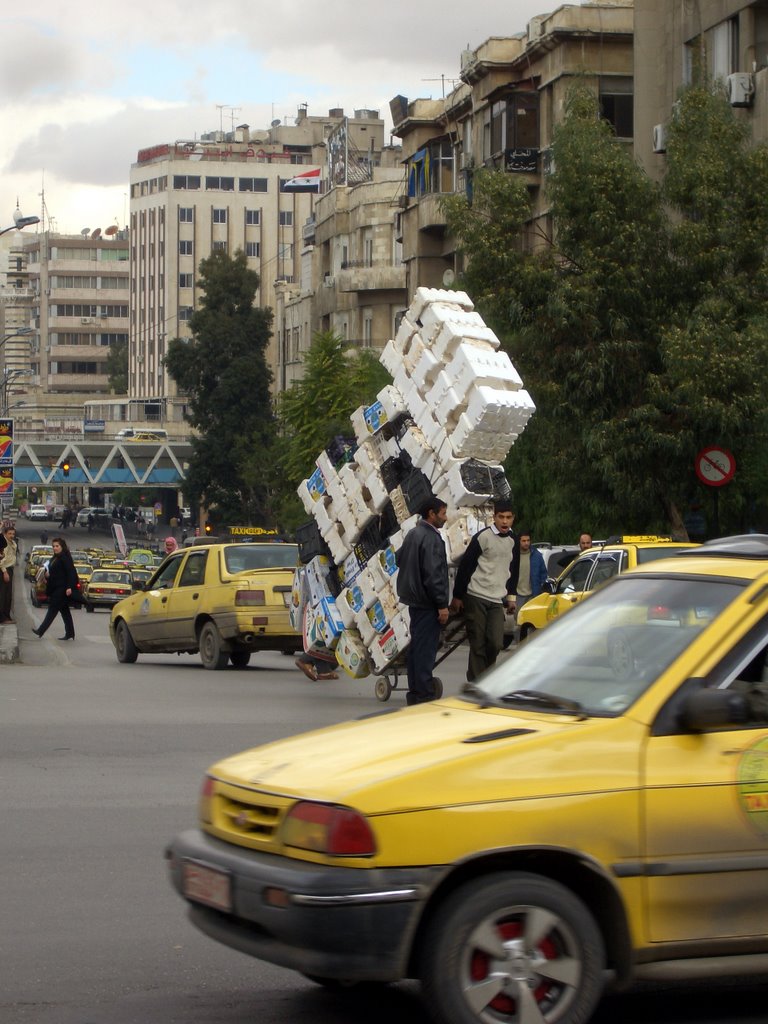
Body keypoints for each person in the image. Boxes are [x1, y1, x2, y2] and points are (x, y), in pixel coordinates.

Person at [451, 500, 517, 681]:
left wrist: (511, 597)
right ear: (494, 518)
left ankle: (485, 677)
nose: (504, 521)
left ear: (513, 519)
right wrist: (458, 596)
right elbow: (466, 567)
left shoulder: (513, 540)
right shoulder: (483, 537)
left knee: (495, 643)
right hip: (476, 595)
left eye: (508, 518)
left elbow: (514, 569)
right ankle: (477, 683)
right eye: (501, 517)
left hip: (497, 599)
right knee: (478, 642)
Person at [396, 496, 450, 705]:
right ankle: (424, 694)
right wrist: (441, 605)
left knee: (417, 648)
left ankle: (415, 692)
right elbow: (433, 575)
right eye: (443, 514)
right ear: (432, 514)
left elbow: (398, 558)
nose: (446, 518)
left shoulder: (413, 534)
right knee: (425, 651)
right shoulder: (430, 538)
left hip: (414, 601)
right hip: (428, 603)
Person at [32, 536, 79, 640]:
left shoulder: (65, 558)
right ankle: (70, 633)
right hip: (56, 588)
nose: (55, 548)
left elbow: (71, 573)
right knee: (65, 612)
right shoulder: (55, 558)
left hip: (61, 590)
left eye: (57, 546)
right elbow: (55, 573)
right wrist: (47, 576)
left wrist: (70, 587)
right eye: (53, 546)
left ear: (62, 547)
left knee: (52, 610)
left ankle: (41, 630)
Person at [0, 523, 18, 623]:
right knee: (3, 595)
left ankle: (6, 616)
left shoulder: (12, 543)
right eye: (9, 533)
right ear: (5, 534)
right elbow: (1, 559)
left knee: (8, 595)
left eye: (13, 534)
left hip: (10, 569)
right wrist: (4, 572)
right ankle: (2, 617)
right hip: (4, 570)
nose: (12, 535)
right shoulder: (4, 544)